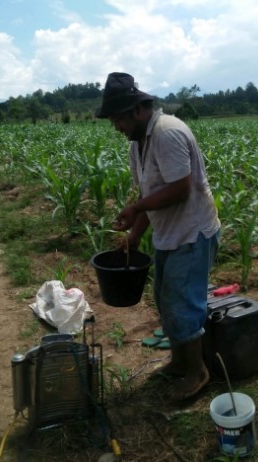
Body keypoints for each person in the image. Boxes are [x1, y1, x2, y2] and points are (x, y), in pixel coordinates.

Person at [96, 72, 221, 400]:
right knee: (166, 302)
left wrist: (135, 209)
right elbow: (149, 197)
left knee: (182, 305)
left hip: (192, 234)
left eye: (118, 119)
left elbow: (179, 189)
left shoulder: (167, 133)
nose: (116, 127)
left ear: (137, 110)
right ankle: (180, 363)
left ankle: (197, 372)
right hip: (170, 235)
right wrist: (136, 235)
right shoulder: (138, 146)